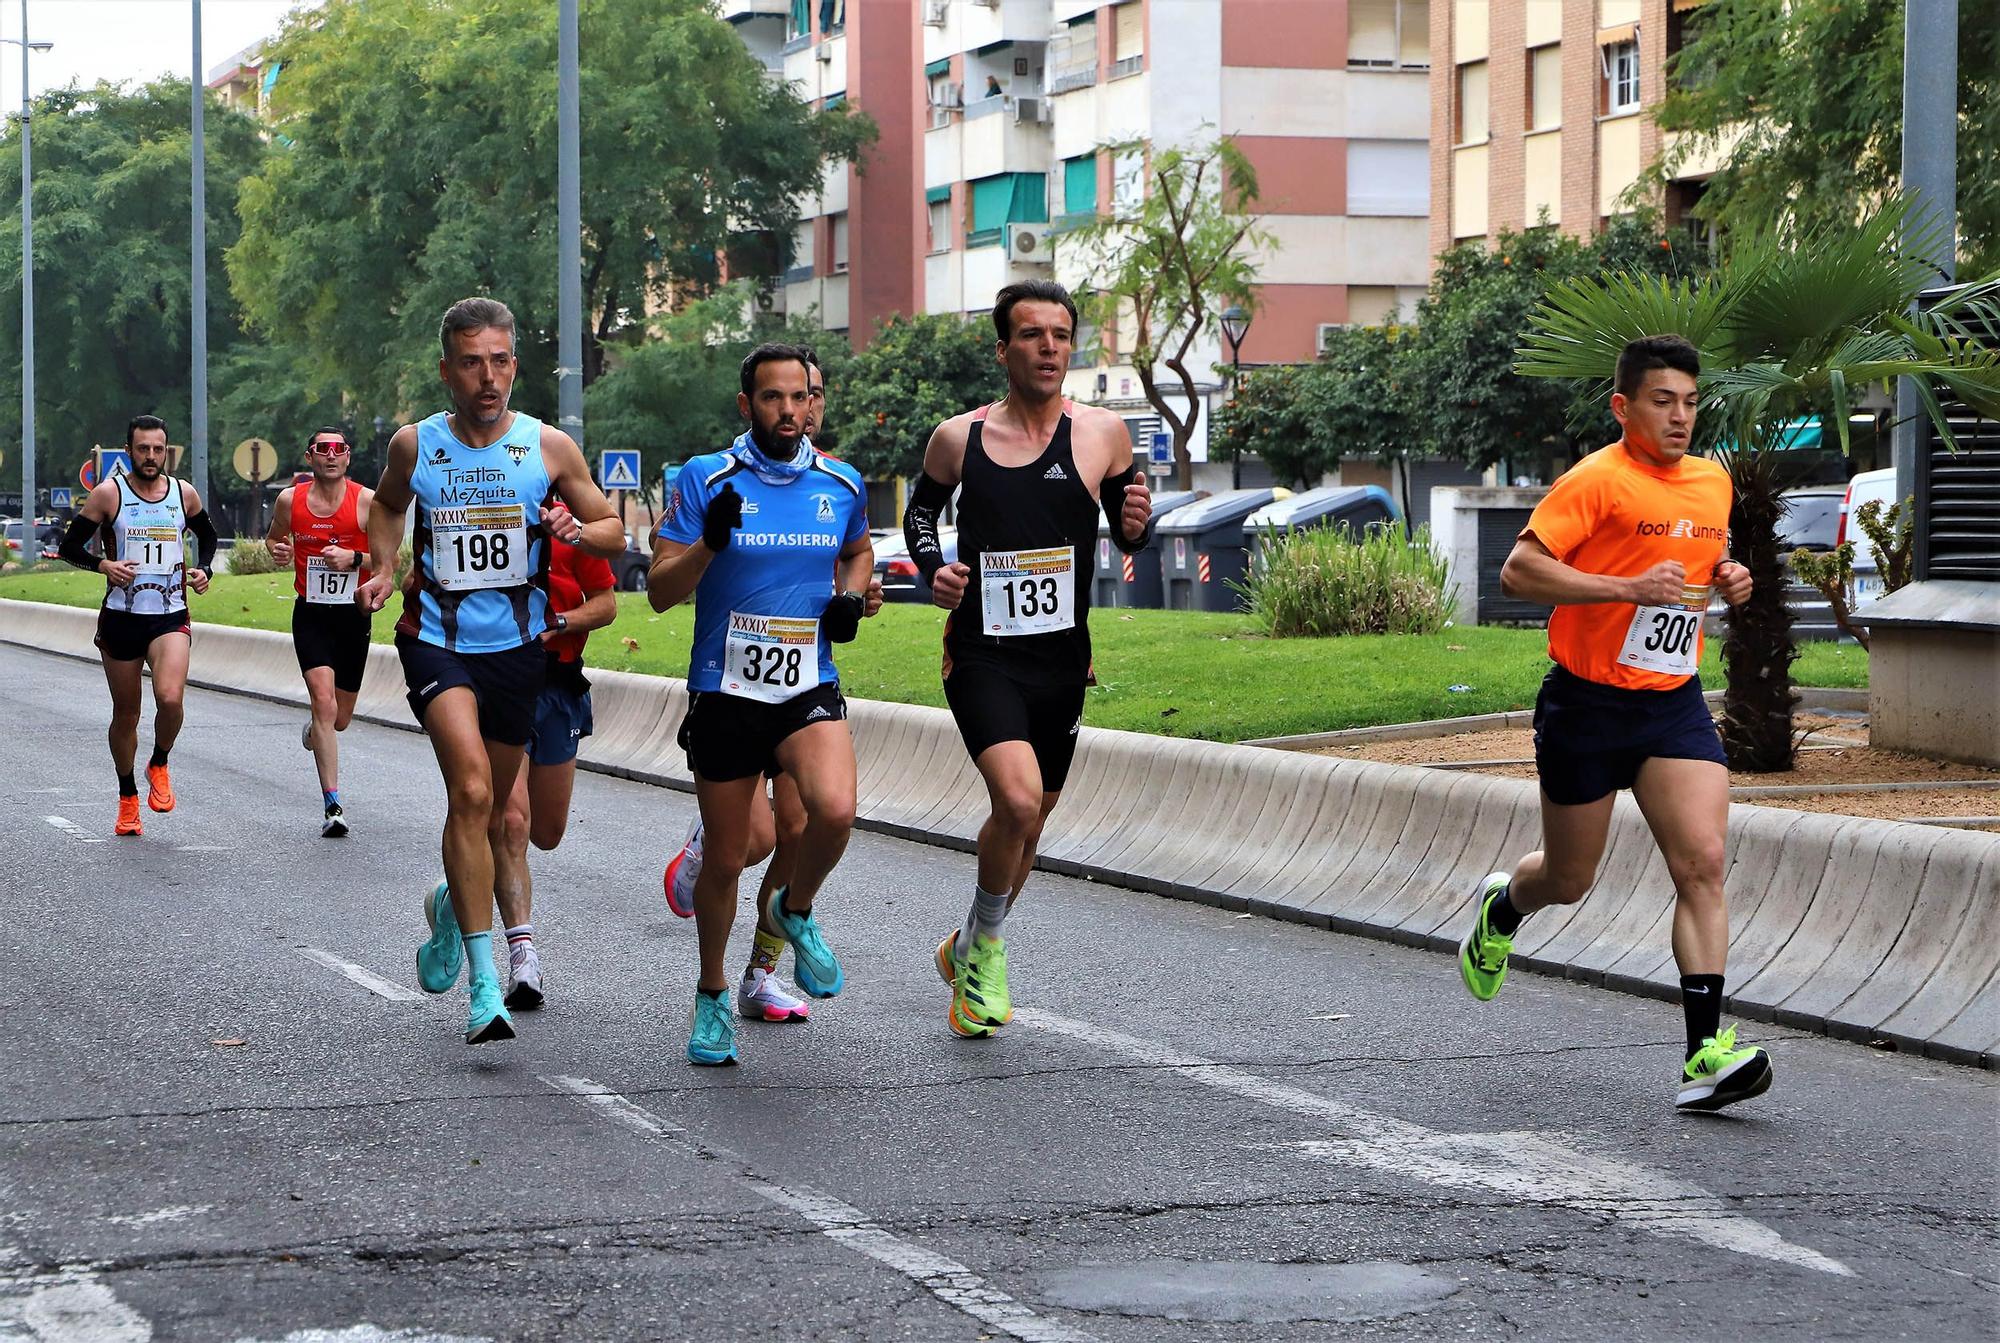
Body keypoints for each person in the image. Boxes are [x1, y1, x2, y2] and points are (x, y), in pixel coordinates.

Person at [1455, 333, 1768, 1113]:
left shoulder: (1710, 483)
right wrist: (1624, 587)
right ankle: (1504, 906)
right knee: (1569, 878)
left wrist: (1730, 577)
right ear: (1623, 406)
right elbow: (1520, 570)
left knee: (1702, 860)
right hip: (1585, 705)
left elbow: (1699, 568)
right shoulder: (1595, 480)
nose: (1680, 417)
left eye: (1691, 403)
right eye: (1663, 401)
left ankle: (1704, 1052)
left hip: (1672, 704)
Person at [356, 297, 625, 1046]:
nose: (487, 377)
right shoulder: (418, 444)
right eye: (471, 362)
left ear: (515, 364)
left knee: (495, 800)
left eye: (500, 361)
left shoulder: (548, 447)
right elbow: (385, 506)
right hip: (435, 641)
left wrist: (579, 526)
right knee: (471, 789)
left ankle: (453, 900)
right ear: (447, 370)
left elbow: (613, 528)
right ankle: (482, 985)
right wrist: (385, 565)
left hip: (517, 651)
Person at [902, 280, 1152, 1038]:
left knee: (1031, 823)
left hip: (1062, 662)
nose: (1049, 347)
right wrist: (932, 568)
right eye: (1033, 334)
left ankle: (967, 941)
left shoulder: (1105, 433)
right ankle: (990, 950)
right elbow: (919, 512)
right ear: (1004, 348)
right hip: (982, 654)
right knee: (1013, 801)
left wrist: (1137, 523)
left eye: (1061, 334)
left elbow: (1127, 523)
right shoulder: (960, 438)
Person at [649, 342, 875, 1065]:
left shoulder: (840, 481)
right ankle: (712, 992)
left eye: (800, 396)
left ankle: (789, 918)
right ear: (748, 406)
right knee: (731, 854)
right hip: (726, 688)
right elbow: (658, 589)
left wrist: (847, 596)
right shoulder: (705, 477)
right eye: (773, 398)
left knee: (829, 812)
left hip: (807, 681)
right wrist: (708, 542)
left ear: (814, 400)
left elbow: (859, 550)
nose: (789, 410)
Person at [58, 416, 219, 836]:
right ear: (129, 450)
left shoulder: (183, 494)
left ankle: (160, 761)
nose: (151, 457)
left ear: (167, 451)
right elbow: (69, 547)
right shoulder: (109, 494)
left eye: (158, 449)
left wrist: (204, 570)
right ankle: (127, 795)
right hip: (122, 618)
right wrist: (103, 565)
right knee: (126, 713)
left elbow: (209, 536)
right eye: (143, 449)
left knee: (170, 699)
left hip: (169, 615)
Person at [491, 519, 619, 1009]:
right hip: (502, 680)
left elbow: (607, 604)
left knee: (546, 831)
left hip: (560, 684)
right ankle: (524, 957)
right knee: (512, 819)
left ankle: (459, 881)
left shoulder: (571, 524)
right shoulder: (487, 507)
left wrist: (561, 623)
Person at [267, 428, 374, 838]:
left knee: (338, 717)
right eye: (322, 449)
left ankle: (316, 731)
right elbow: (275, 541)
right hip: (310, 615)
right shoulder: (290, 500)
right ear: (310, 457)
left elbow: (387, 563)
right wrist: (278, 551)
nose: (331, 456)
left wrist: (354, 558)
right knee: (324, 702)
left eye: (338, 449)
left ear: (347, 457)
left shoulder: (365, 502)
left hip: (353, 617)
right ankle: (333, 804)